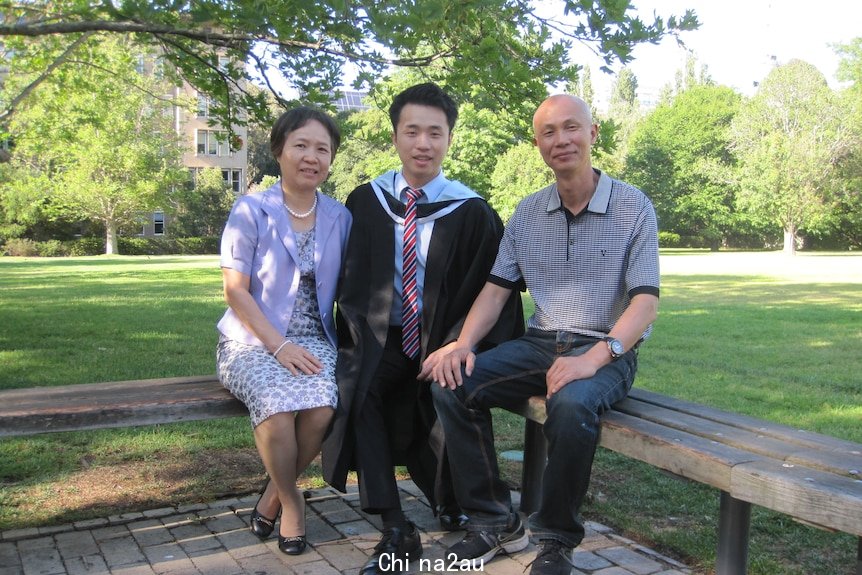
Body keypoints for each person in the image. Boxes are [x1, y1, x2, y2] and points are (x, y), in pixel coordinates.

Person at [427, 94, 660, 575]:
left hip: (607, 349)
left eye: (571, 128)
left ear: (593, 134)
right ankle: (493, 520)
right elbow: (494, 293)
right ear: (538, 144)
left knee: (572, 404)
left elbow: (644, 302)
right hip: (539, 345)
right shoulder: (529, 213)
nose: (561, 140)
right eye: (548, 132)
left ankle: (554, 541)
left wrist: (593, 359)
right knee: (451, 382)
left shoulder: (633, 207)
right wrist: (463, 344)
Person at [321, 82, 524, 575]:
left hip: (444, 339)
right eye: (412, 131)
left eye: (435, 132)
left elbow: (493, 290)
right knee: (356, 386)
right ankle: (394, 525)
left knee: (451, 384)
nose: (423, 143)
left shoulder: (471, 210)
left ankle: (453, 501)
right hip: (383, 337)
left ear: (450, 139)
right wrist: (356, 336)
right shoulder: (368, 200)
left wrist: (460, 344)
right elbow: (347, 279)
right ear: (395, 136)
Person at [216, 107, 351, 556]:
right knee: (276, 407)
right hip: (251, 340)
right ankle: (292, 502)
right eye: (301, 145)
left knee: (322, 407)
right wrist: (279, 346)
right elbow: (235, 291)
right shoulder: (250, 210)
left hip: (316, 339)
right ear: (279, 151)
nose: (311, 157)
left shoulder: (339, 216)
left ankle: (271, 494)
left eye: (322, 149)